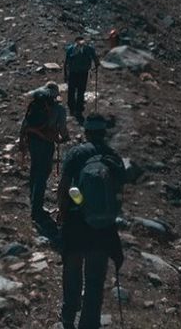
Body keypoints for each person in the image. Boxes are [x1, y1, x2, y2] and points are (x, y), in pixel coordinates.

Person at [57, 114, 126, 329]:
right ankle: (89, 323)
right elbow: (118, 194)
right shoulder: (113, 157)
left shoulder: (76, 154)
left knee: (72, 273)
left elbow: (64, 187)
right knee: (95, 281)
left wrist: (62, 212)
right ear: (104, 131)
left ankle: (68, 316)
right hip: (103, 228)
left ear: (86, 131)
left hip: (76, 222)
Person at [19, 81, 68, 228]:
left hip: (32, 142)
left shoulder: (34, 104)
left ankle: (33, 201)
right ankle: (37, 210)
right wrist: (64, 137)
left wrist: (22, 141)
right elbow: (62, 129)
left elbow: (25, 123)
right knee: (43, 172)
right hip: (46, 143)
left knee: (34, 170)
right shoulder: (58, 110)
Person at [64, 37, 99, 124]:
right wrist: (96, 65)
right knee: (81, 90)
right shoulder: (89, 48)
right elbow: (95, 58)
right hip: (83, 72)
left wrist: (65, 74)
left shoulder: (71, 48)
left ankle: (72, 107)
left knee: (72, 90)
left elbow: (66, 62)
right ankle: (78, 108)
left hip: (73, 72)